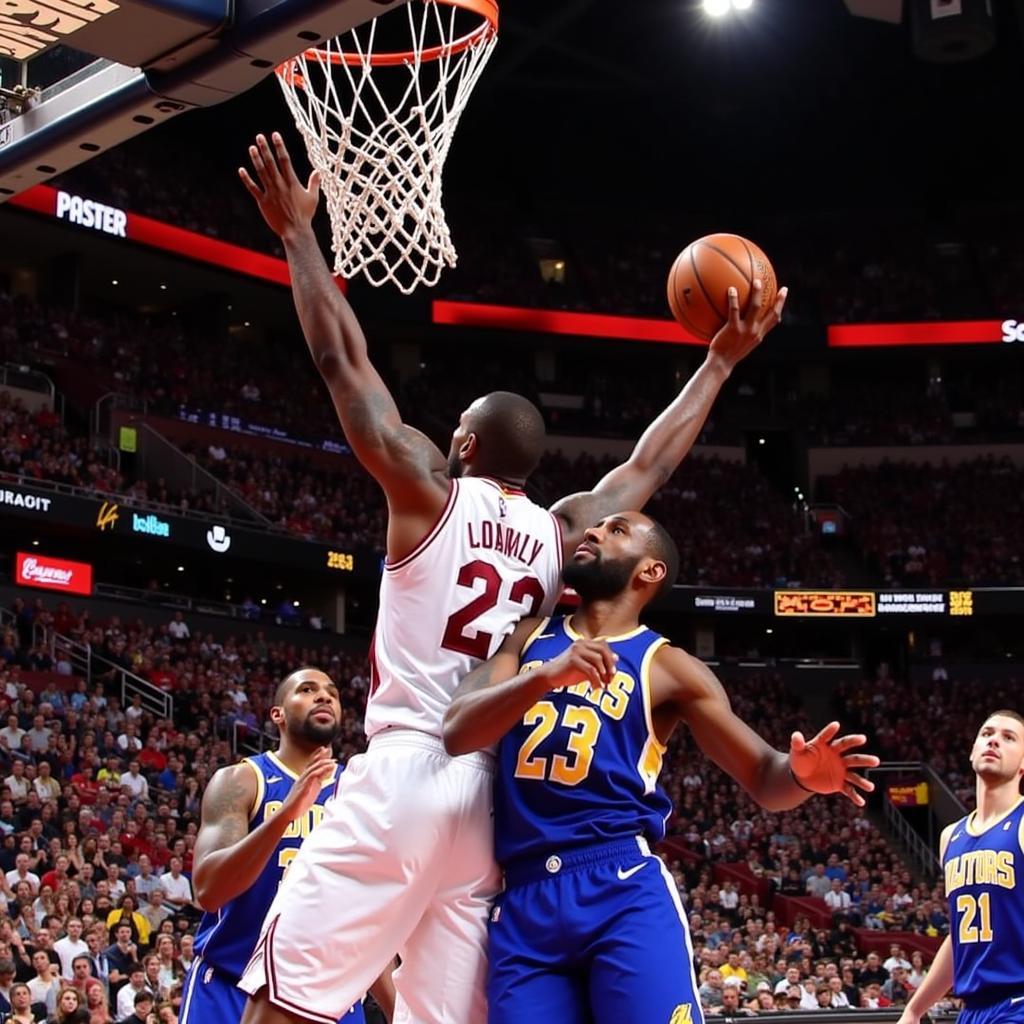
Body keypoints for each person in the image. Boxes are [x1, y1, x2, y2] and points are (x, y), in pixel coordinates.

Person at [236, 131, 787, 1024]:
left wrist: (299, 235)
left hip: (409, 767)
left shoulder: (424, 489)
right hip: (488, 816)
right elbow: (648, 463)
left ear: (459, 444)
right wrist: (719, 362)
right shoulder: (562, 532)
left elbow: (344, 363)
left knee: (285, 1005)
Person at [442, 510, 877, 1023]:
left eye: (616, 530)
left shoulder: (669, 667)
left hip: (618, 884)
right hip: (524, 898)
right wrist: (544, 678)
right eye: (597, 526)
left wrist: (802, 777)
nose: (594, 532)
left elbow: (764, 776)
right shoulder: (530, 636)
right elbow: (457, 731)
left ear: (649, 571)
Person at [186, 670, 392, 1024]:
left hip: (328, 995)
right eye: (307, 690)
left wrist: (397, 1010)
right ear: (277, 714)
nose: (324, 697)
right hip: (230, 983)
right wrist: (284, 816)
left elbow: (365, 914)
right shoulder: (243, 780)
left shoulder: (360, 791)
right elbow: (208, 890)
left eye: (332, 693)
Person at [899, 709, 1024, 1024]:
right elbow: (961, 936)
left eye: (1009, 738)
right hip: (972, 1011)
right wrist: (914, 1009)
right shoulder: (950, 837)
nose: (994, 740)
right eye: (987, 734)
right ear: (972, 751)